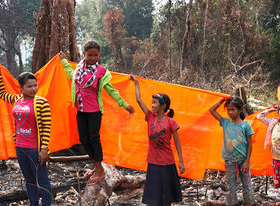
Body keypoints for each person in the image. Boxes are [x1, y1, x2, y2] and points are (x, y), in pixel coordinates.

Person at [59, 39, 135, 185]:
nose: (93, 58)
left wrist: (124, 104)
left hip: (94, 111)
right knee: (83, 139)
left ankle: (99, 169)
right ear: (84, 54)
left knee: (94, 138)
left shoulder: (101, 72)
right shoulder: (79, 69)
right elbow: (71, 75)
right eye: (90, 55)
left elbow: (111, 90)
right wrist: (64, 61)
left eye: (96, 55)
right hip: (80, 109)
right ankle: (96, 166)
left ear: (99, 54)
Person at [0, 67, 52, 205]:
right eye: (29, 86)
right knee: (29, 180)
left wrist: (44, 149)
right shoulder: (16, 99)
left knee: (42, 179)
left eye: (35, 85)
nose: (34, 89)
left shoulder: (42, 102)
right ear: (21, 88)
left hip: (36, 150)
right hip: (20, 147)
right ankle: (33, 204)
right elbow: (2, 93)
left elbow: (46, 128)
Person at [130, 75, 185, 206]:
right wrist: (136, 83)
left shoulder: (171, 122)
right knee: (154, 195)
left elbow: (177, 143)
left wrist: (181, 162)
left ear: (163, 106)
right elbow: (138, 100)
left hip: (167, 163)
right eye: (152, 102)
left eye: (155, 103)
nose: (152, 105)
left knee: (166, 196)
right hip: (153, 162)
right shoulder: (150, 118)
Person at [209, 96, 254, 206]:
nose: (229, 112)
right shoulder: (225, 122)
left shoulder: (246, 125)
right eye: (228, 109)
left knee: (247, 184)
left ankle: (249, 203)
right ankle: (232, 203)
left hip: (243, 160)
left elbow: (250, 144)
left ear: (240, 110)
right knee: (230, 185)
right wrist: (222, 101)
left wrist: (247, 161)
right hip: (229, 161)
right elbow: (211, 110)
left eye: (232, 109)